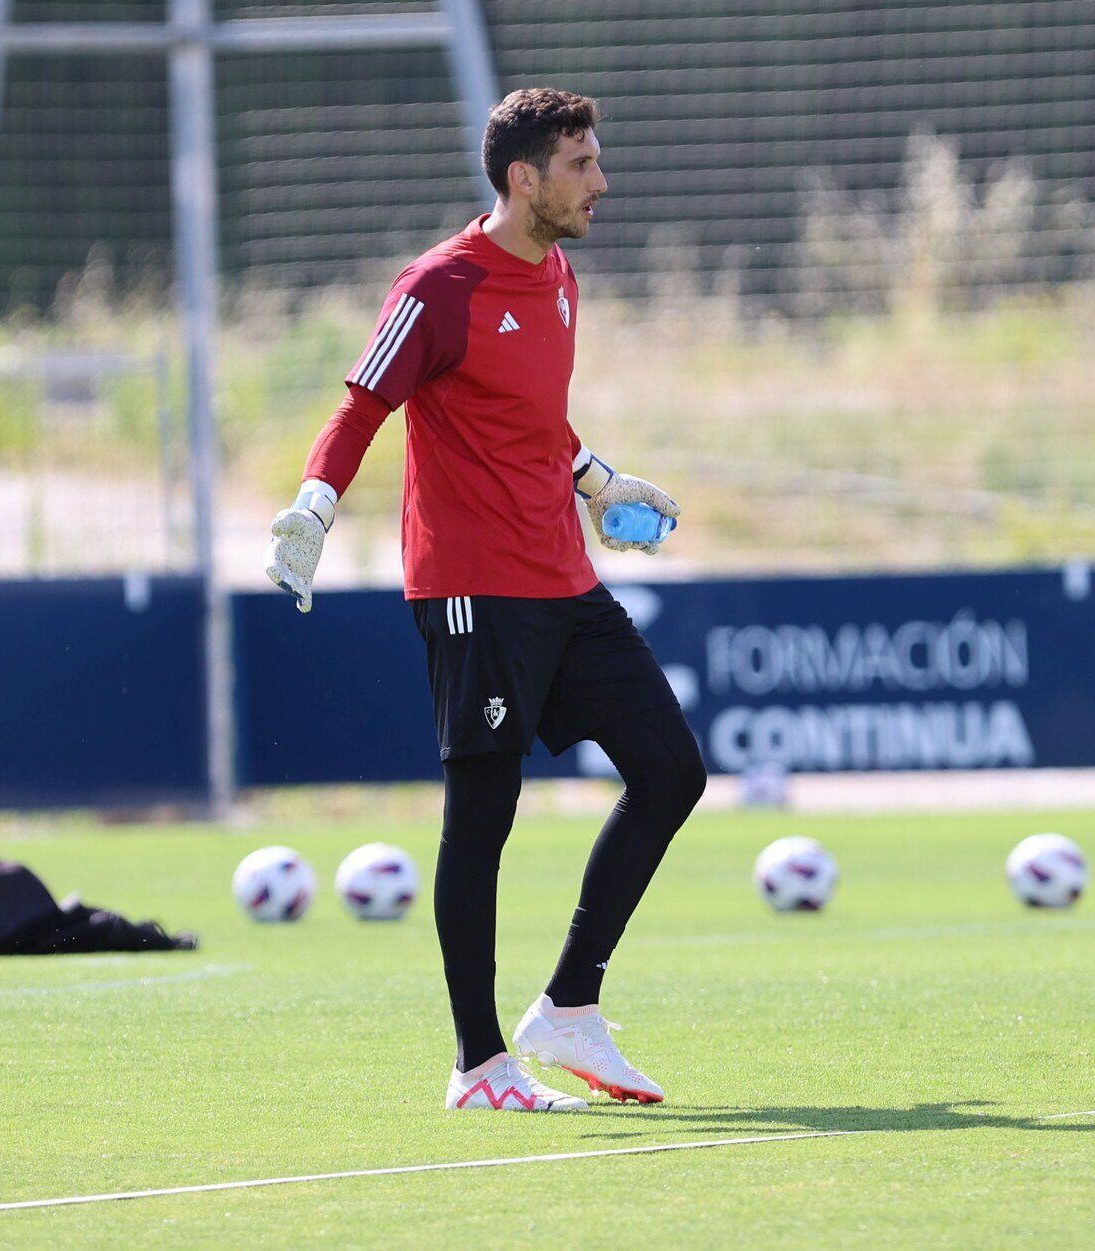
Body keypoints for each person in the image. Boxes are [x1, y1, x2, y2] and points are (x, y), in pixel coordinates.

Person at [264, 88, 706, 1112]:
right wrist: (314, 509)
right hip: (471, 587)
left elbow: (530, 418)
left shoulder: (556, 275)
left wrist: (596, 481)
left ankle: (568, 1011)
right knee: (483, 820)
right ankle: (477, 1065)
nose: (601, 181)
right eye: (582, 163)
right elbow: (364, 402)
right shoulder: (437, 286)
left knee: (670, 769)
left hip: (561, 576)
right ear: (525, 179)